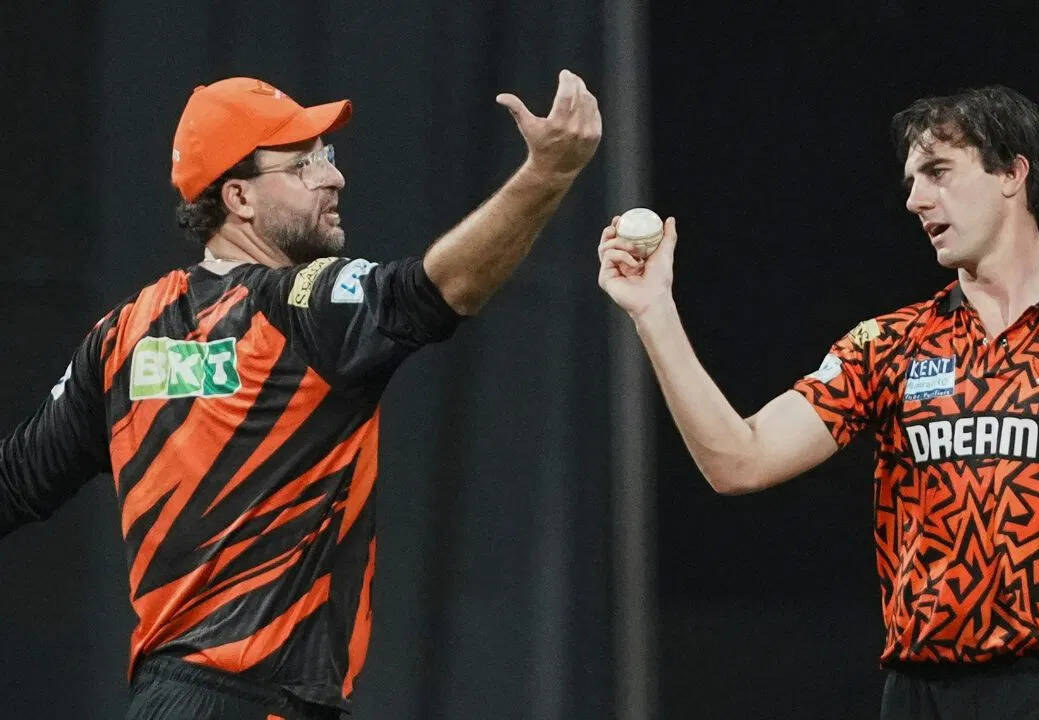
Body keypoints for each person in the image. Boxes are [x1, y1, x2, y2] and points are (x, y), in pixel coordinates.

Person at [596, 86, 1039, 719]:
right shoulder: (891, 343)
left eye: (938, 172)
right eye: (912, 181)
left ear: (1012, 174)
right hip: (921, 697)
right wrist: (654, 312)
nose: (915, 199)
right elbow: (739, 460)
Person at [0, 70, 599, 719]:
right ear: (238, 197)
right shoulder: (296, 308)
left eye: (327, 156)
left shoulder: (124, 335)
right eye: (303, 164)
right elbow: (440, 289)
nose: (333, 177)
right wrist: (546, 174)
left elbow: (14, 483)